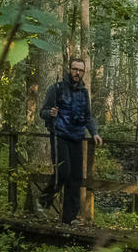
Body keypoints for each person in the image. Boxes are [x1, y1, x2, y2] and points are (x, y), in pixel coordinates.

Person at [39, 56, 103, 225]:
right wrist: (50, 113)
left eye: (81, 70)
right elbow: (43, 112)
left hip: (77, 137)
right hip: (59, 136)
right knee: (63, 171)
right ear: (69, 69)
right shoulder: (57, 88)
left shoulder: (83, 92)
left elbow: (87, 116)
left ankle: (70, 218)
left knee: (75, 177)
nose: (78, 73)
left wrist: (94, 133)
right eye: (75, 69)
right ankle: (44, 202)